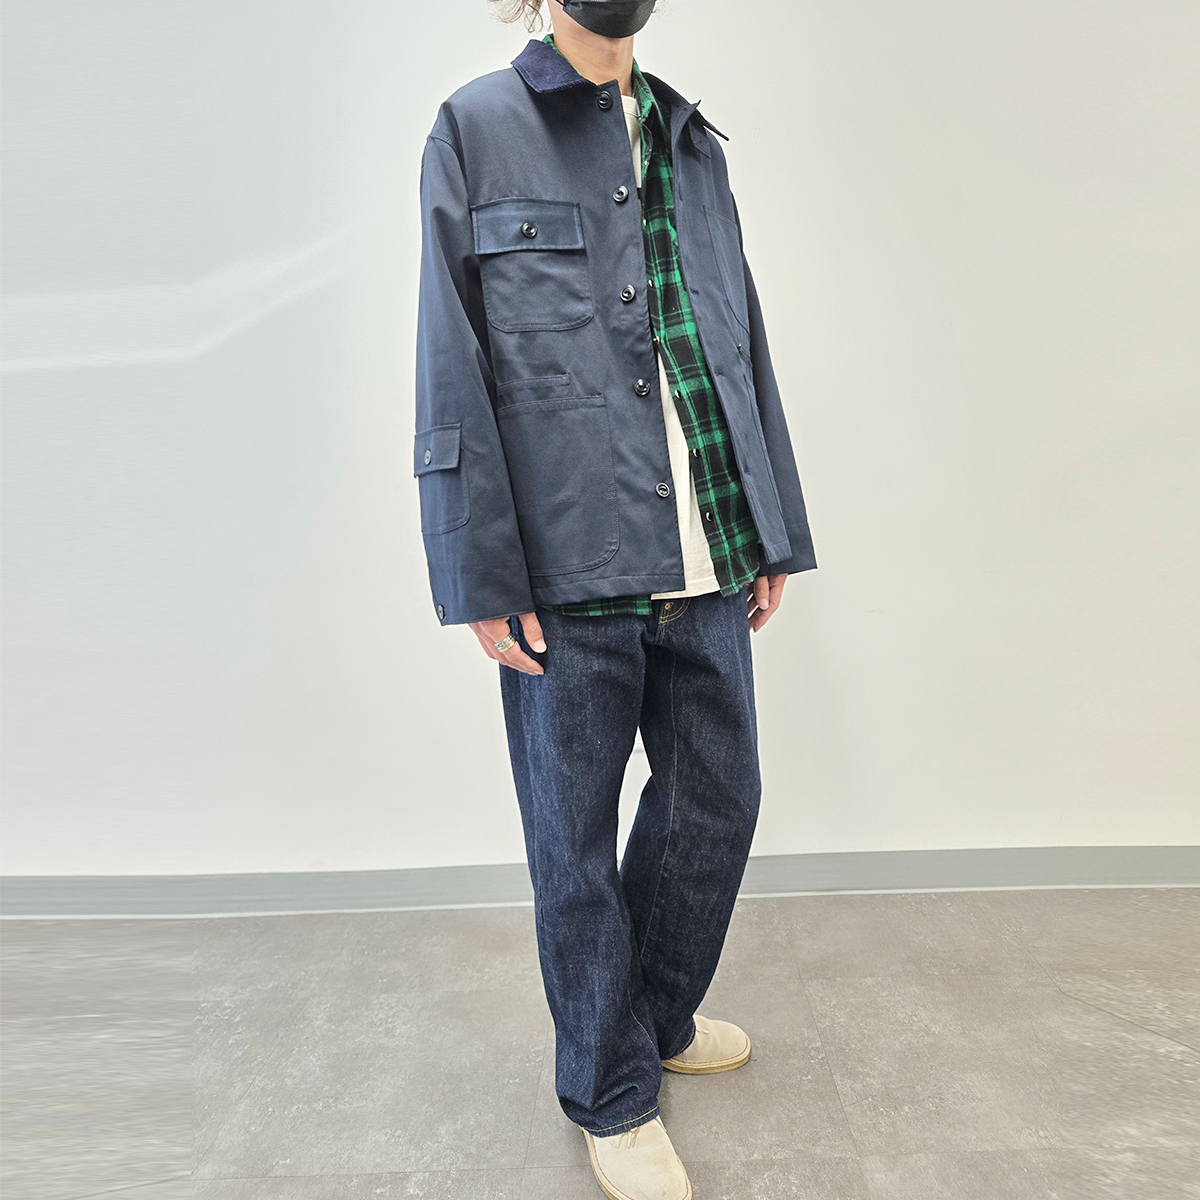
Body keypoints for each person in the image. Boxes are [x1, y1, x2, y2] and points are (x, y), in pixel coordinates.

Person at [414, 1, 816, 1196]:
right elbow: (450, 358)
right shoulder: (475, 127)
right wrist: (478, 571)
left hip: (705, 550)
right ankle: (609, 1090)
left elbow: (740, 340)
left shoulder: (690, 141)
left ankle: (651, 1021)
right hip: (566, 566)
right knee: (574, 844)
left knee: (719, 802)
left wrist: (769, 525)